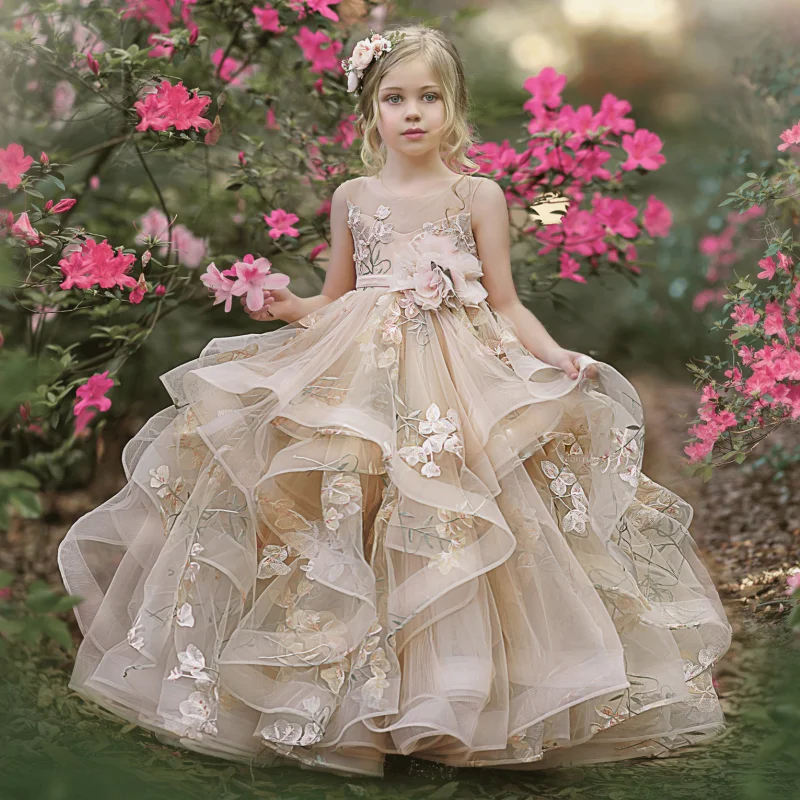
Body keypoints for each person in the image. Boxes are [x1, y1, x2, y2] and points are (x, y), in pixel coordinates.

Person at [57, 23, 733, 779]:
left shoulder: (477, 194)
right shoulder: (353, 197)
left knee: (462, 508)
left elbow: (505, 302)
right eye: (394, 98)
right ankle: (352, 700)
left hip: (455, 369)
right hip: (360, 362)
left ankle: (458, 693)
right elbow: (334, 297)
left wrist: (553, 355)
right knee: (352, 499)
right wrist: (284, 306)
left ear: (455, 109)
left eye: (428, 98)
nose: (411, 113)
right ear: (371, 112)